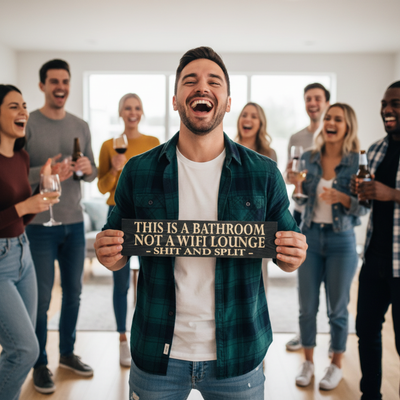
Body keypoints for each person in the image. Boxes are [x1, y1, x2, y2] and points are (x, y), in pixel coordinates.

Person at [94, 46, 307, 400]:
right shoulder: (138, 170)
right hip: (156, 351)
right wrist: (108, 254)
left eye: (214, 81)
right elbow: (116, 251)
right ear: (176, 100)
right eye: (189, 81)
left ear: (226, 102)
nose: (201, 87)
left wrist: (293, 253)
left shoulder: (263, 173)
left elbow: (288, 251)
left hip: (238, 354)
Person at [24, 59, 97, 394]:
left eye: (65, 81)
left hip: (73, 222)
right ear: (42, 85)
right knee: (40, 300)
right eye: (54, 81)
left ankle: (66, 353)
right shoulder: (28, 125)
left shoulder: (80, 125)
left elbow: (92, 171)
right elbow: (14, 175)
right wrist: (46, 172)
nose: (60, 87)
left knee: (74, 294)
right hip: (38, 225)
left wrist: (86, 167)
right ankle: (39, 362)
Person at [288, 103, 368, 390]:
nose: (331, 122)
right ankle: (308, 362)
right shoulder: (308, 158)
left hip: (342, 241)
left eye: (338, 119)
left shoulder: (356, 162)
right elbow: (299, 202)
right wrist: (295, 187)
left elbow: (363, 207)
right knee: (307, 307)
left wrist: (343, 198)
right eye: (329, 118)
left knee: (338, 309)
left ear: (347, 127)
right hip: (309, 236)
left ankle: (335, 365)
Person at [0, 84, 60, 400]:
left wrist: (39, 196)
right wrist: (24, 206)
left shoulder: (21, 157)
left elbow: (19, 221)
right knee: (25, 349)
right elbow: (16, 211)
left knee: (23, 343)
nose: (23, 111)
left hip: (22, 253)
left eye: (24, 105)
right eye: (13, 106)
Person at [97, 93, 160, 367]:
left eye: (136, 108)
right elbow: (101, 187)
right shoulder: (108, 145)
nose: (132, 113)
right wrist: (114, 171)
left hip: (147, 218)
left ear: (142, 112)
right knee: (120, 282)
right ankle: (123, 338)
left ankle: (144, 336)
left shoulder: (153, 144)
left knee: (150, 278)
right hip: (118, 214)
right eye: (127, 108)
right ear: (121, 113)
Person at [353, 81, 400, 400]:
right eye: (384, 104)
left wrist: (392, 194)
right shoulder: (377, 148)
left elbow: (389, 195)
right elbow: (370, 203)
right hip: (374, 258)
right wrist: (364, 193)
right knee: (366, 333)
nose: (386, 109)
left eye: (395, 103)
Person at [285, 82, 330, 352]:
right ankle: (305, 336)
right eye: (308, 99)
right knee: (305, 284)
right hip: (302, 213)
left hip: (330, 218)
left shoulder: (336, 135)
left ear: (326, 102)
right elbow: (289, 175)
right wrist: (292, 179)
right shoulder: (296, 138)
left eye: (317, 98)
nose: (312, 103)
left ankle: (328, 340)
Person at [236, 102, 277, 296]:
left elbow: (271, 192)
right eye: (245, 115)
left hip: (258, 225)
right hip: (231, 223)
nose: (248, 119)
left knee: (257, 283)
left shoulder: (269, 155)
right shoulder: (227, 148)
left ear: (260, 123)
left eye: (253, 116)